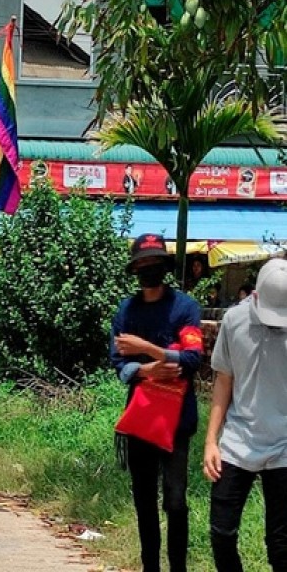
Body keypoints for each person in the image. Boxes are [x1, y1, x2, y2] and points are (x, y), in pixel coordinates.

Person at [111, 234, 203, 572]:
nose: (148, 268)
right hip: (141, 420)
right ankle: (151, 565)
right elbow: (119, 365)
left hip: (178, 421)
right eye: (142, 264)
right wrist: (154, 367)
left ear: (164, 266)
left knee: (176, 500)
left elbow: (191, 359)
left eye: (154, 263)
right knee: (144, 500)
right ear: (134, 269)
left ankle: (177, 567)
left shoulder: (185, 307)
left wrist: (145, 349)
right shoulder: (127, 309)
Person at [204, 258, 287, 571]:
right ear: (255, 295)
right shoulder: (234, 321)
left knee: (281, 545)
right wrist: (212, 441)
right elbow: (224, 379)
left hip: (284, 447)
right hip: (239, 442)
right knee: (221, 533)